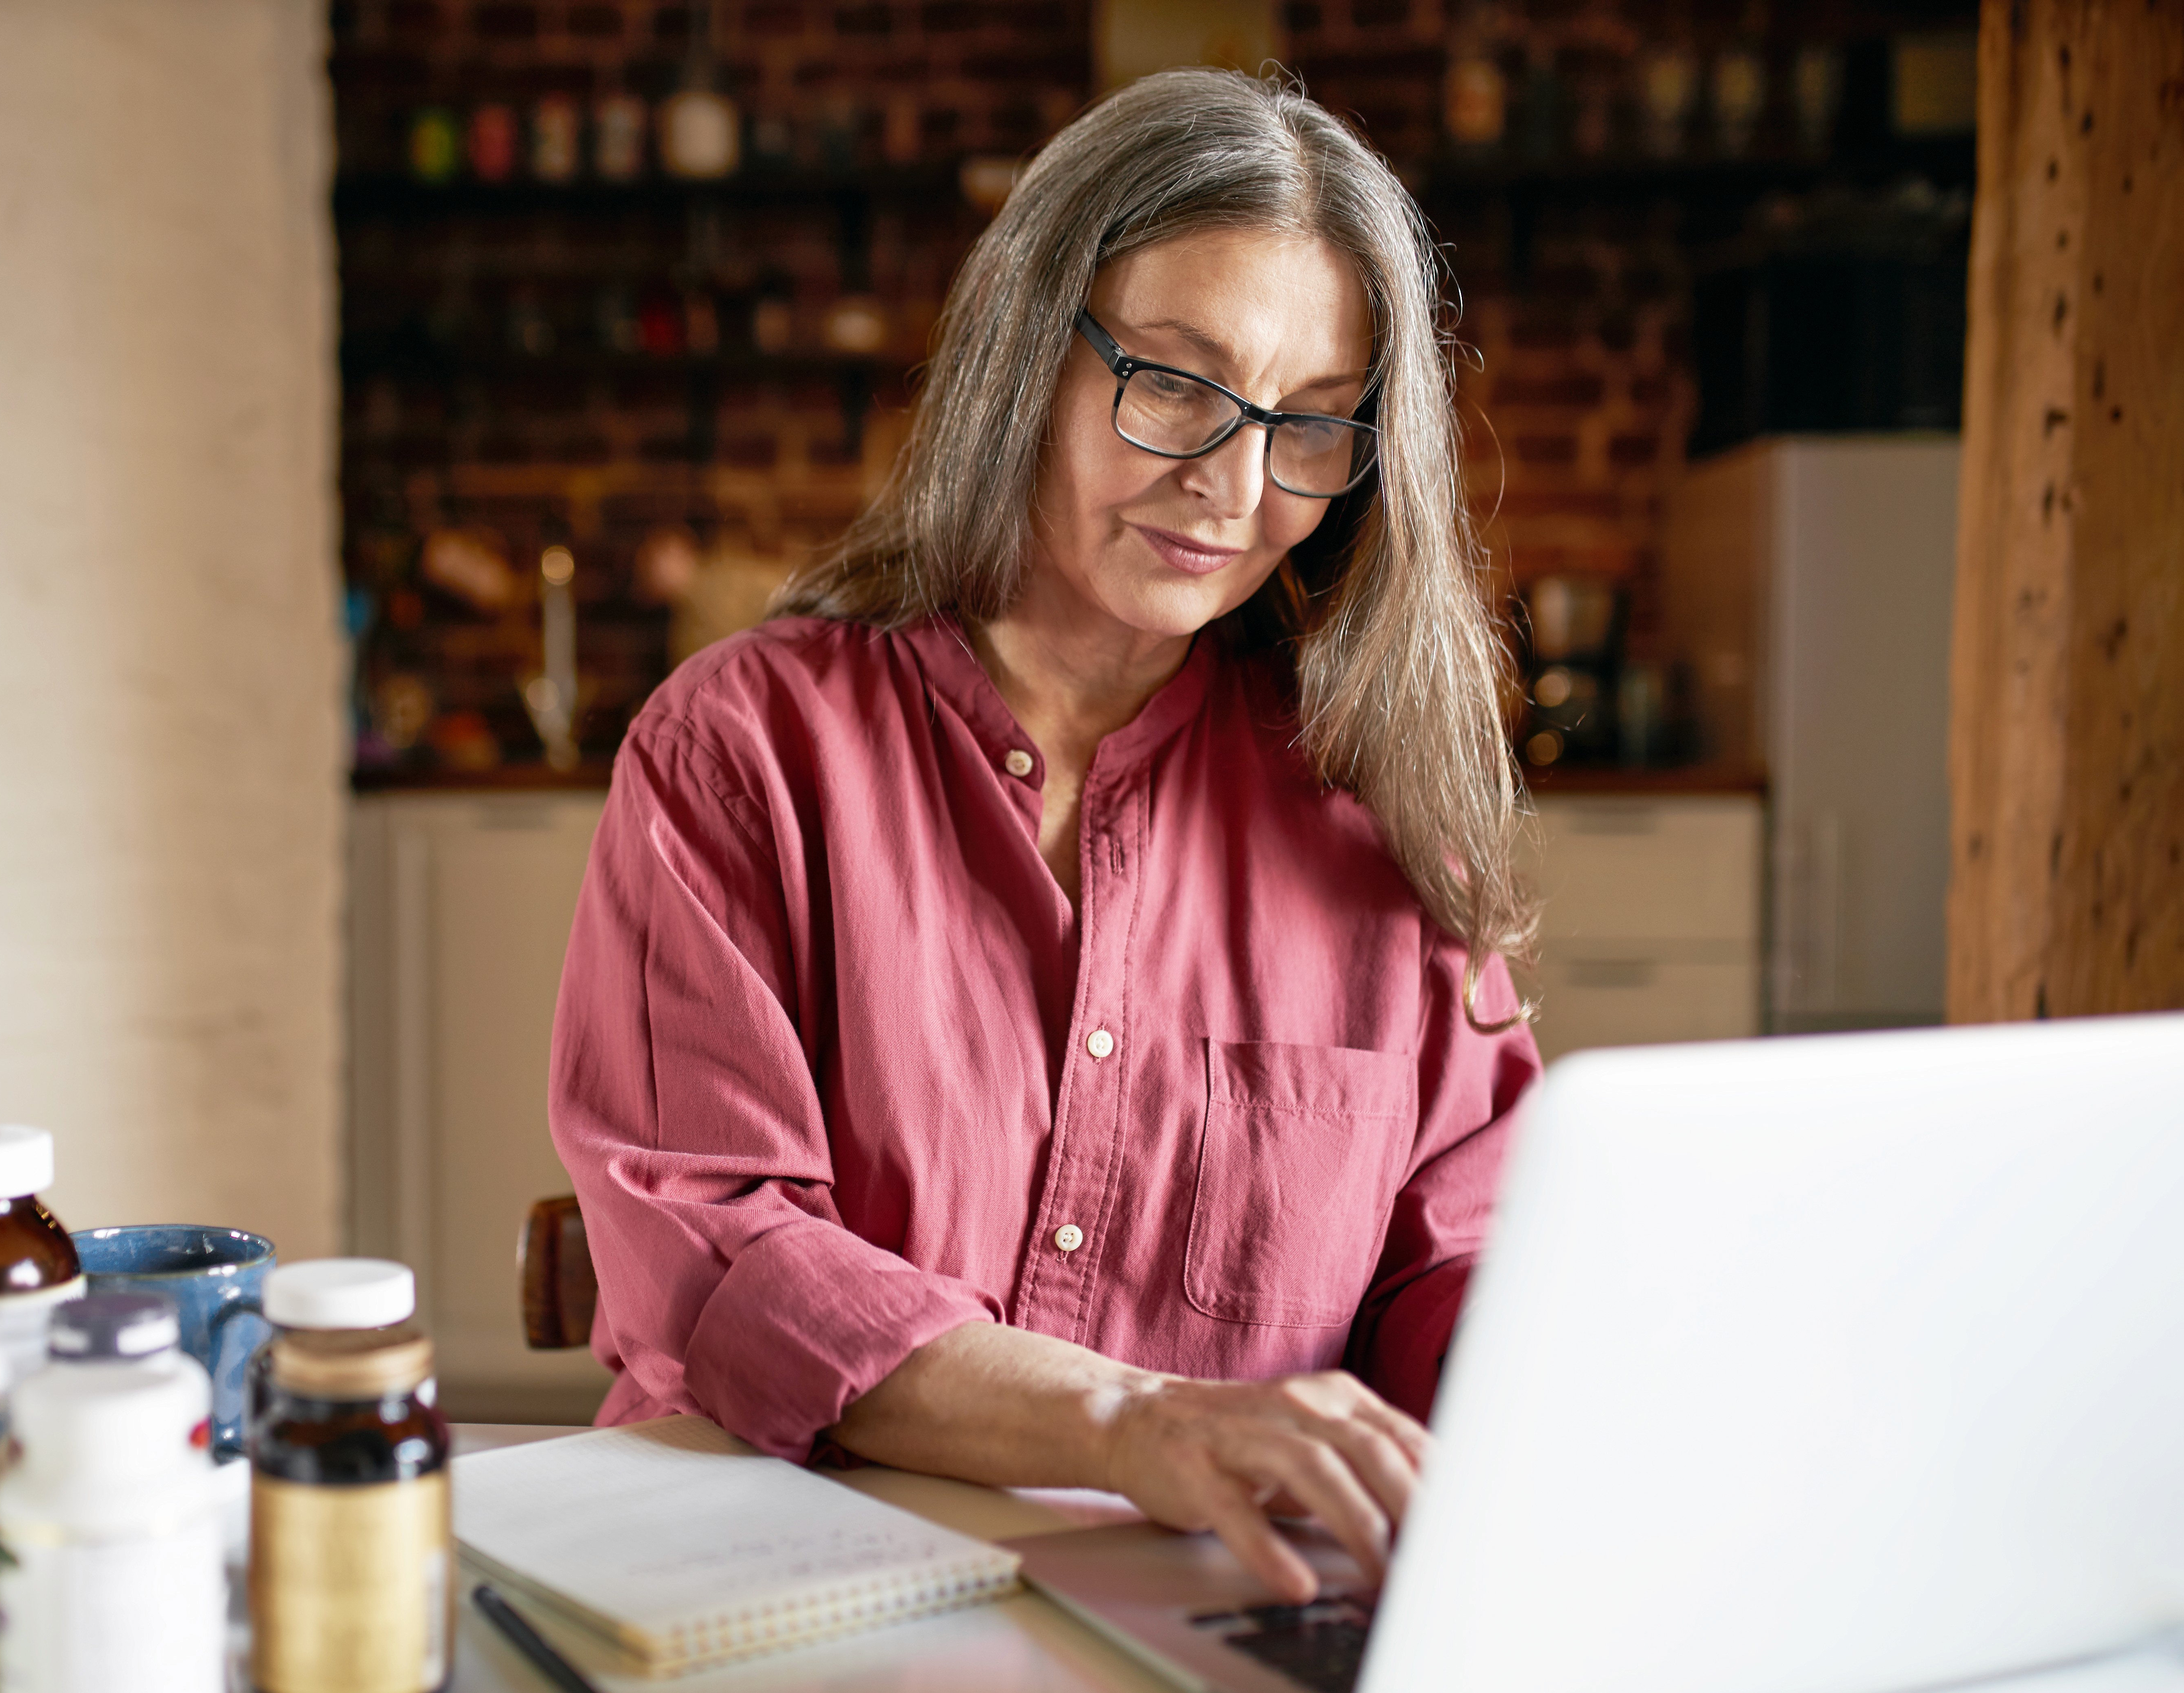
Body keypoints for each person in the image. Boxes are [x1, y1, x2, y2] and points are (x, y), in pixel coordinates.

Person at [550, 68, 1541, 1605]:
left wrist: (1560, 1373)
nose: (1233, 482)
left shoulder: (1379, 824)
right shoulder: (743, 751)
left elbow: (1458, 1260)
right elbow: (715, 1249)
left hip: (1214, 1603)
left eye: (1312, 424)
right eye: (1175, 383)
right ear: (1030, 346)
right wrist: (1130, 1419)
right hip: (775, 1598)